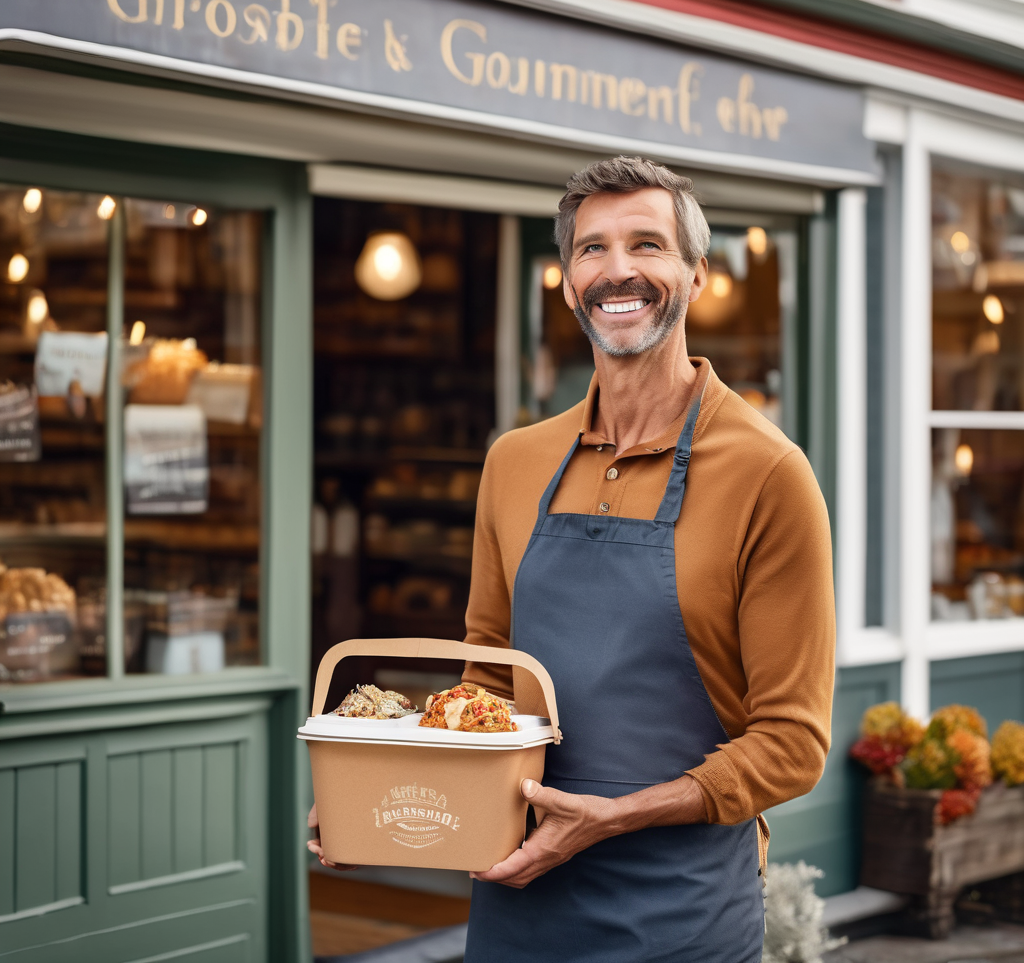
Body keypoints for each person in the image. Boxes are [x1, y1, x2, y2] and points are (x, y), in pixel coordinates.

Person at [307, 155, 835, 963]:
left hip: (680, 914)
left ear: (696, 275)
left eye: (648, 245)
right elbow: (485, 681)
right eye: (593, 249)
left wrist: (614, 816)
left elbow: (792, 743)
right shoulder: (514, 462)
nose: (617, 269)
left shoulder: (769, 473)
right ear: (565, 281)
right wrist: (387, 805)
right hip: (521, 897)